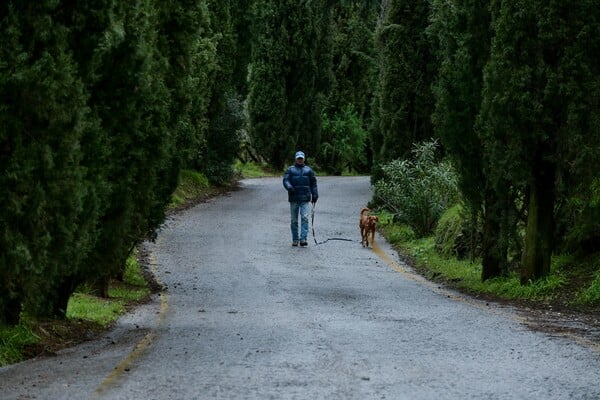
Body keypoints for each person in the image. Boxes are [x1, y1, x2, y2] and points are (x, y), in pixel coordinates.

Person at [283, 151, 318, 246]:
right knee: (294, 220)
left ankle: (303, 239)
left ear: (304, 159)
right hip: (294, 198)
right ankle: (295, 239)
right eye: (298, 158)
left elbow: (313, 183)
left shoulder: (309, 170)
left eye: (301, 158)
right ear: (295, 159)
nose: (299, 160)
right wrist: (289, 187)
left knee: (305, 218)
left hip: (305, 198)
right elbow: (286, 180)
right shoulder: (290, 170)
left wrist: (315, 194)